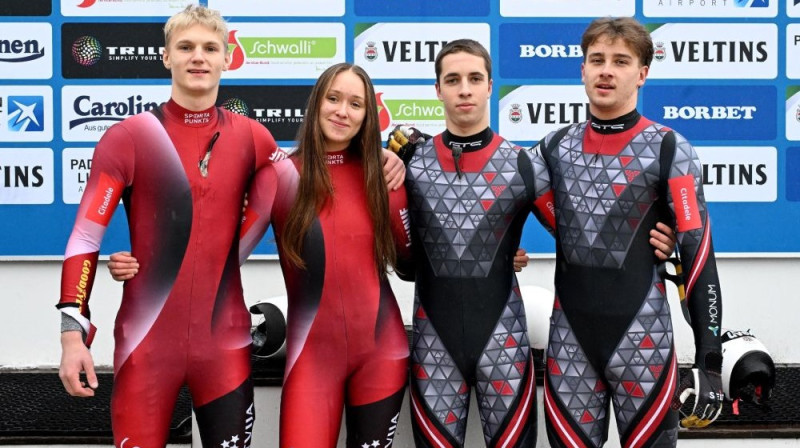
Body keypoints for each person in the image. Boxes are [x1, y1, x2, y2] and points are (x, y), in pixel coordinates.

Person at [56, 7, 404, 448]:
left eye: (209, 48)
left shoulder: (254, 139)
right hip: (146, 345)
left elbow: (328, 175)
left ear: (227, 58)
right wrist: (72, 334)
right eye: (185, 47)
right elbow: (85, 237)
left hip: (225, 348)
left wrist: (384, 157)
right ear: (165, 57)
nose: (198, 57)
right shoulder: (128, 137)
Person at [388, 39, 677, 448]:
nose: (464, 89)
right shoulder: (408, 160)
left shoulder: (525, 164)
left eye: (474, 79)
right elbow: (403, 259)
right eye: (453, 80)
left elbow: (585, 232)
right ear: (438, 89)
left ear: (491, 86)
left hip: (504, 346)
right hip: (433, 347)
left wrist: (660, 236)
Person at [532, 18, 724, 447]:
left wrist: (710, 360)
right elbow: (489, 194)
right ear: (581, 69)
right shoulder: (552, 148)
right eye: (596, 60)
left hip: (645, 344)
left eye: (620, 61)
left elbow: (698, 256)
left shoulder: (670, 148)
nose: (606, 70)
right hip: (570, 346)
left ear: (641, 74)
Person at [237, 63, 413, 447]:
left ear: (368, 117)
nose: (342, 111)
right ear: (316, 104)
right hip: (312, 359)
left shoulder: (385, 178)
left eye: (355, 104)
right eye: (333, 98)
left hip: (382, 355)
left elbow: (412, 266)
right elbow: (224, 258)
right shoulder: (279, 177)